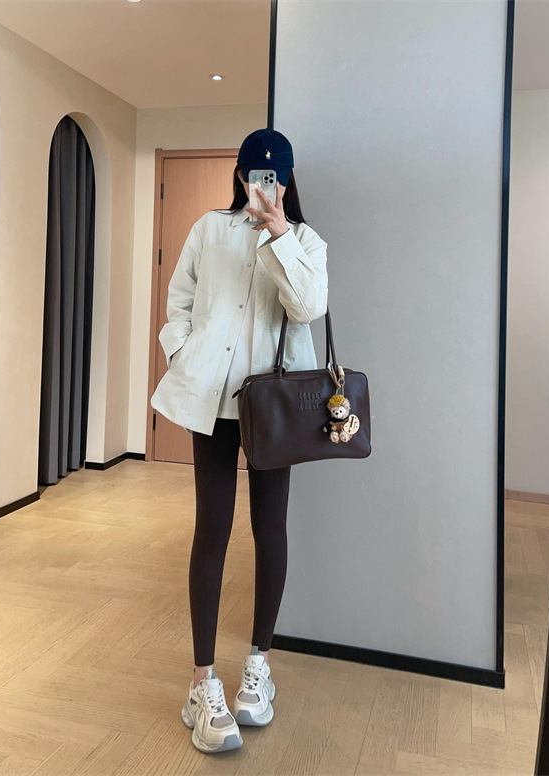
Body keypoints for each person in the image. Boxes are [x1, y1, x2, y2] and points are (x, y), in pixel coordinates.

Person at [151, 128, 329, 753]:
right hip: (214, 402)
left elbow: (307, 309)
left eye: (274, 176)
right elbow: (178, 301)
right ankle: (202, 681)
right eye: (255, 175)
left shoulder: (306, 240)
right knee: (212, 529)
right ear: (240, 175)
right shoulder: (209, 229)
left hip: (273, 407)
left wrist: (279, 234)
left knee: (270, 528)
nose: (264, 185)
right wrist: (183, 351)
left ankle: (260, 665)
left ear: (288, 179)